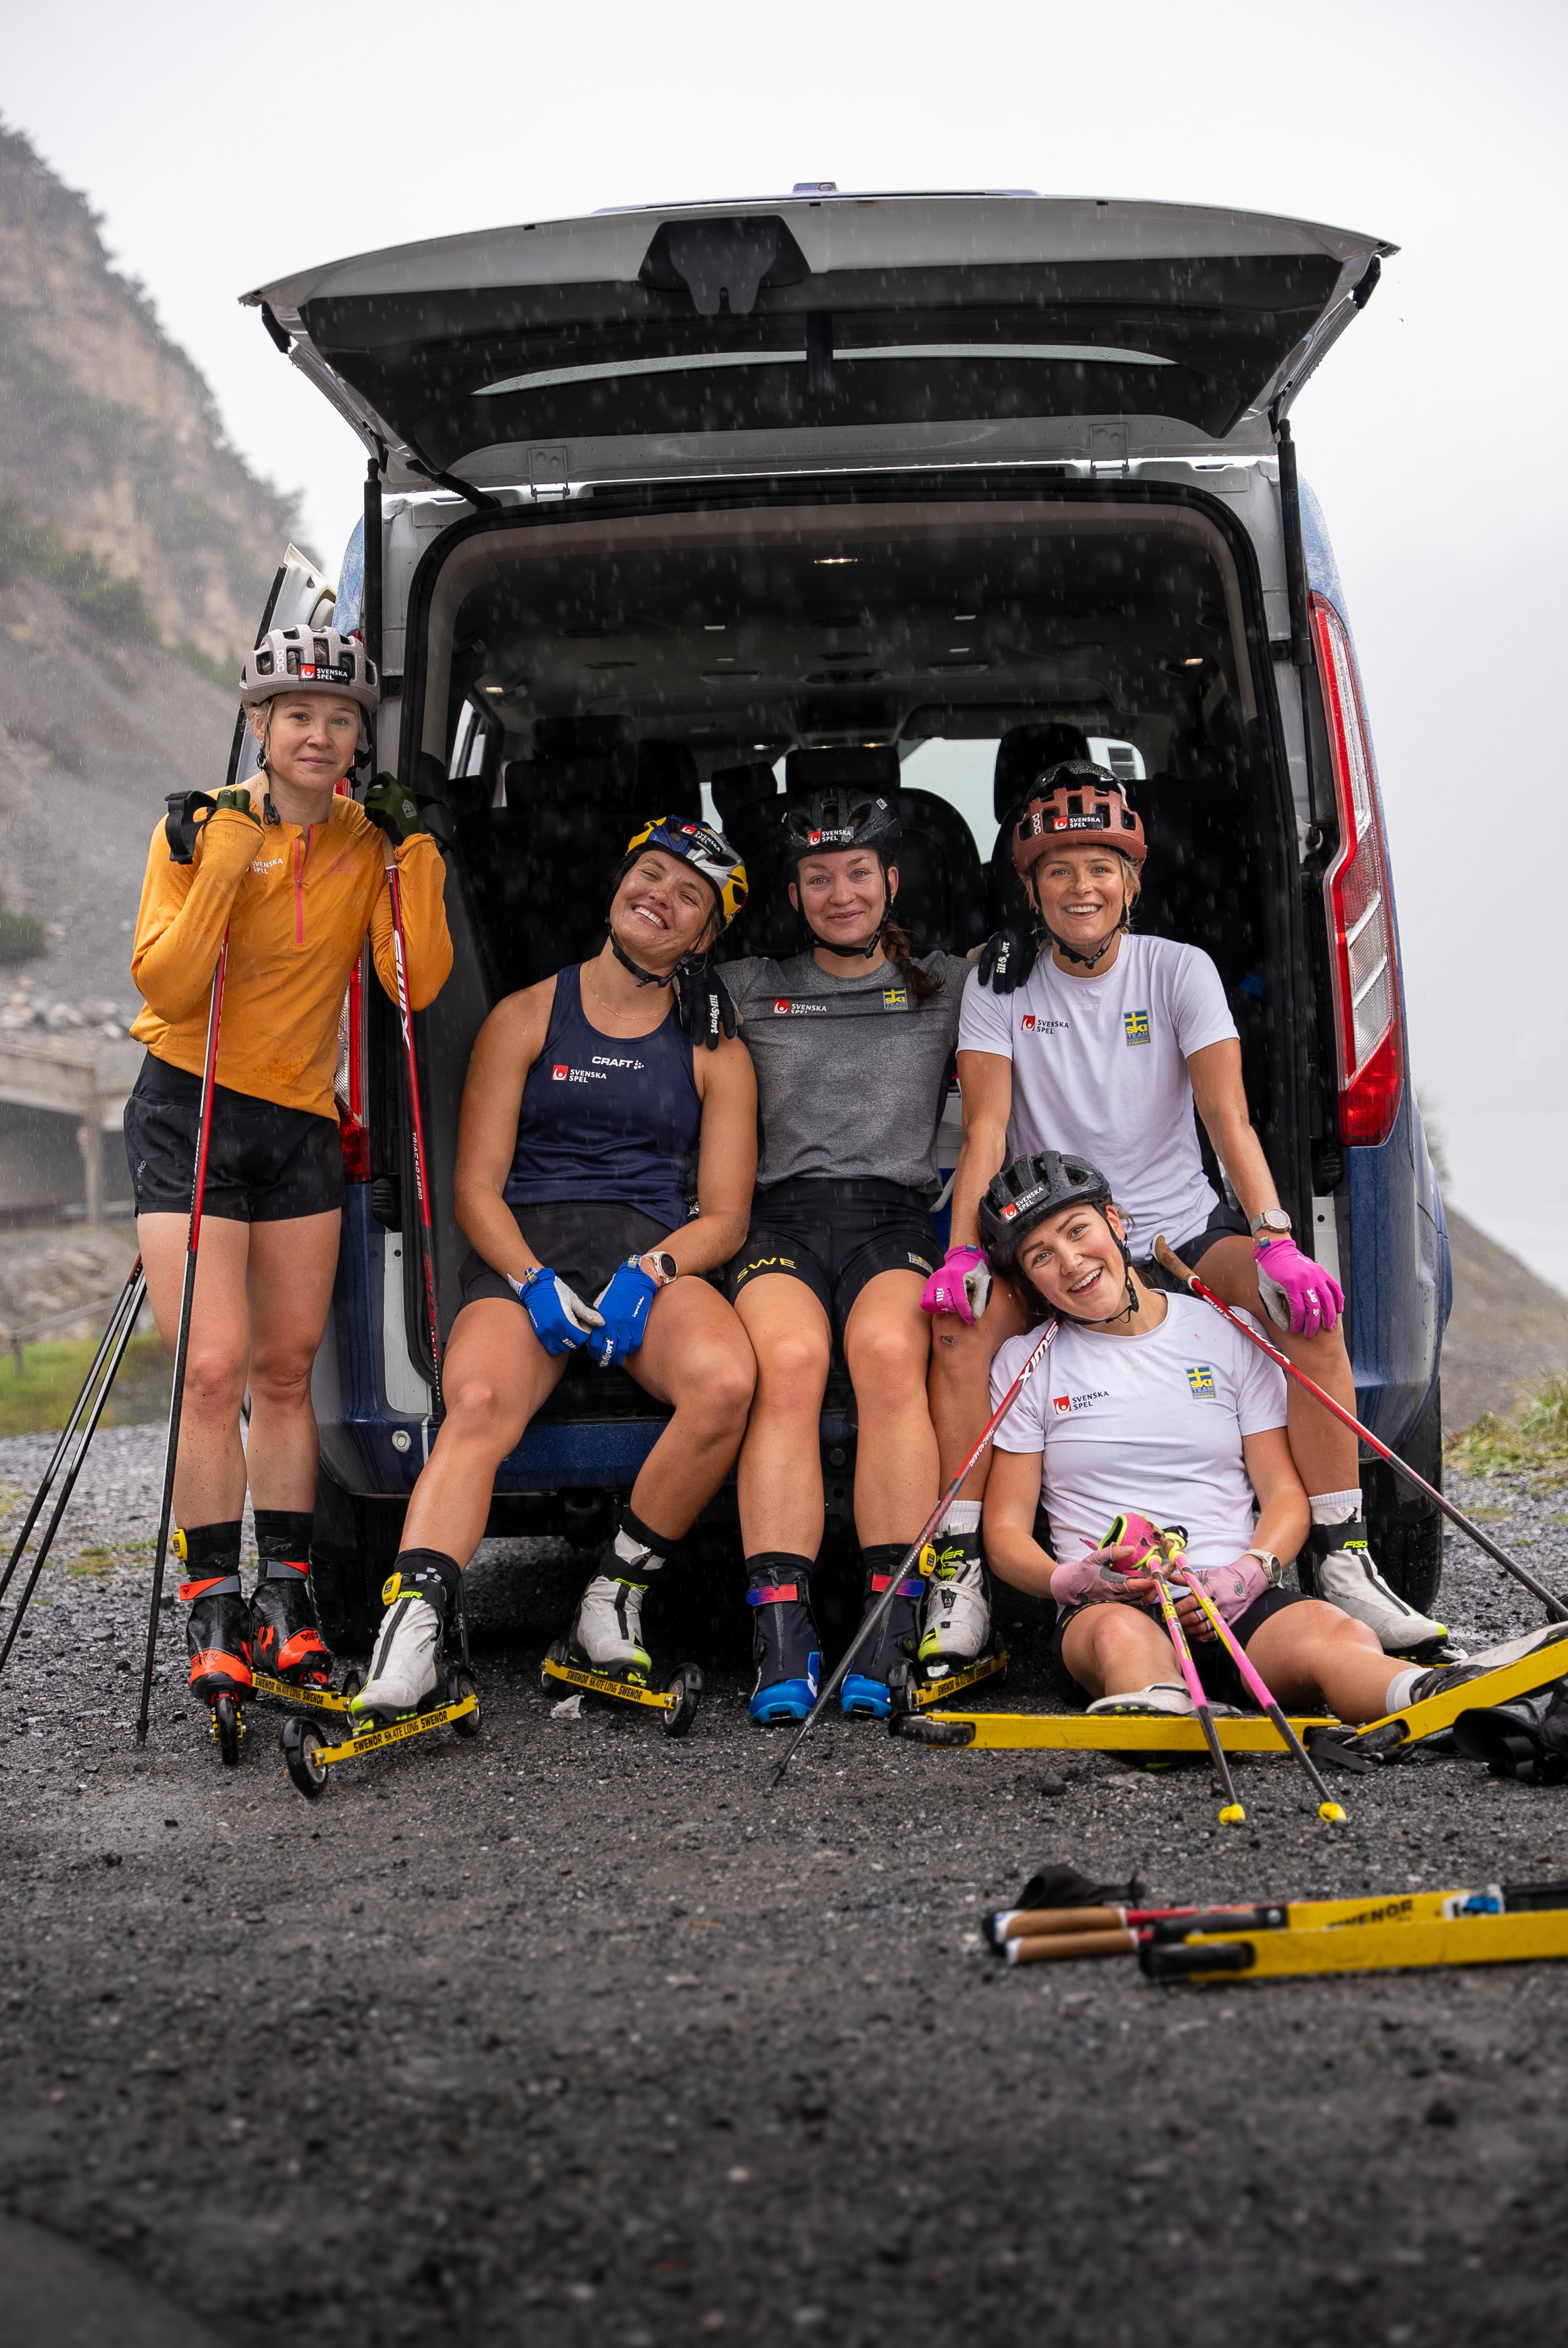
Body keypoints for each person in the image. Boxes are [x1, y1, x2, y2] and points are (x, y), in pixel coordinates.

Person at [926, 759, 1446, 1669]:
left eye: (1100, 867)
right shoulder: (997, 986)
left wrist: (1277, 1239)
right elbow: (987, 1128)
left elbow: (1228, 1119)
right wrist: (966, 1252)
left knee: (1306, 1311)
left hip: (1175, 1230)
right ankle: (959, 1572)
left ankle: (1342, 1557)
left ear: (1132, 881)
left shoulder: (1179, 969)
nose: (1081, 887)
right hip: (1056, 1235)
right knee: (963, 1335)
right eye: (1058, 870)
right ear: (1030, 887)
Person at [353, 816, 758, 1716]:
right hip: (523, 1255)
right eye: (649, 875)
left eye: (688, 896)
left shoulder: (715, 1047)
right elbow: (474, 1191)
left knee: (727, 1384)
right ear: (618, 887)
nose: (660, 897)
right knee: (481, 1404)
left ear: (704, 935)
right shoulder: (528, 1013)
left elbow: (727, 1217)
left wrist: (652, 1270)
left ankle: (612, 1595)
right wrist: (532, 1279)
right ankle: (412, 1633)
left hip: (644, 1261)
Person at [125, 625, 452, 1712]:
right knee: (213, 1370)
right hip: (195, 1108)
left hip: (305, 1127)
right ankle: (215, 1598)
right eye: (298, 713)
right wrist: (217, 863)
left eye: (341, 717)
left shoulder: (368, 842)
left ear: (361, 736)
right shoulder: (195, 831)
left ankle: (291, 1598)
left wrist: (418, 862)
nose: (320, 733)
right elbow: (167, 988)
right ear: (259, 725)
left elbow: (412, 984)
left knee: (285, 1372)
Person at [978, 1152, 1455, 1726]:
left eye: (1078, 1231)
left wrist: (1249, 1571)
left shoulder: (1224, 1332)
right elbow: (1005, 1535)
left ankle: (1438, 1701)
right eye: (1041, 1257)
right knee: (1117, 1639)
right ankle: (1157, 1705)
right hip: (1110, 1609)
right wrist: (1070, 1581)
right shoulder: (1026, 1362)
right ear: (1030, 1280)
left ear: (1115, 1221)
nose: (1072, 1262)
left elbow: (1283, 1496)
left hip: (1233, 1600)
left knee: (1334, 1633)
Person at [721, 786, 980, 1723]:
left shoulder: (947, 982)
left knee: (885, 1357)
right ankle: (781, 1632)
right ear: (792, 894)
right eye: (819, 879)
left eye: (858, 875)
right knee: (785, 1365)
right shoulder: (746, 987)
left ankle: (887, 1616)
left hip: (892, 1220)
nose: (841, 894)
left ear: (891, 882)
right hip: (778, 1221)